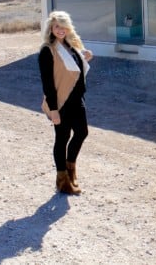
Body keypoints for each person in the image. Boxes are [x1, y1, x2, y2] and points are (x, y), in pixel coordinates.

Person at [38, 11, 93, 195]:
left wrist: (83, 56)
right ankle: (62, 181)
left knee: (82, 132)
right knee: (62, 139)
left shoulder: (71, 46)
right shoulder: (48, 50)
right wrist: (53, 110)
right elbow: (48, 83)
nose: (60, 30)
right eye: (56, 26)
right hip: (61, 103)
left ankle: (71, 171)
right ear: (51, 29)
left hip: (77, 99)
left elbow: (72, 69)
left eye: (63, 26)